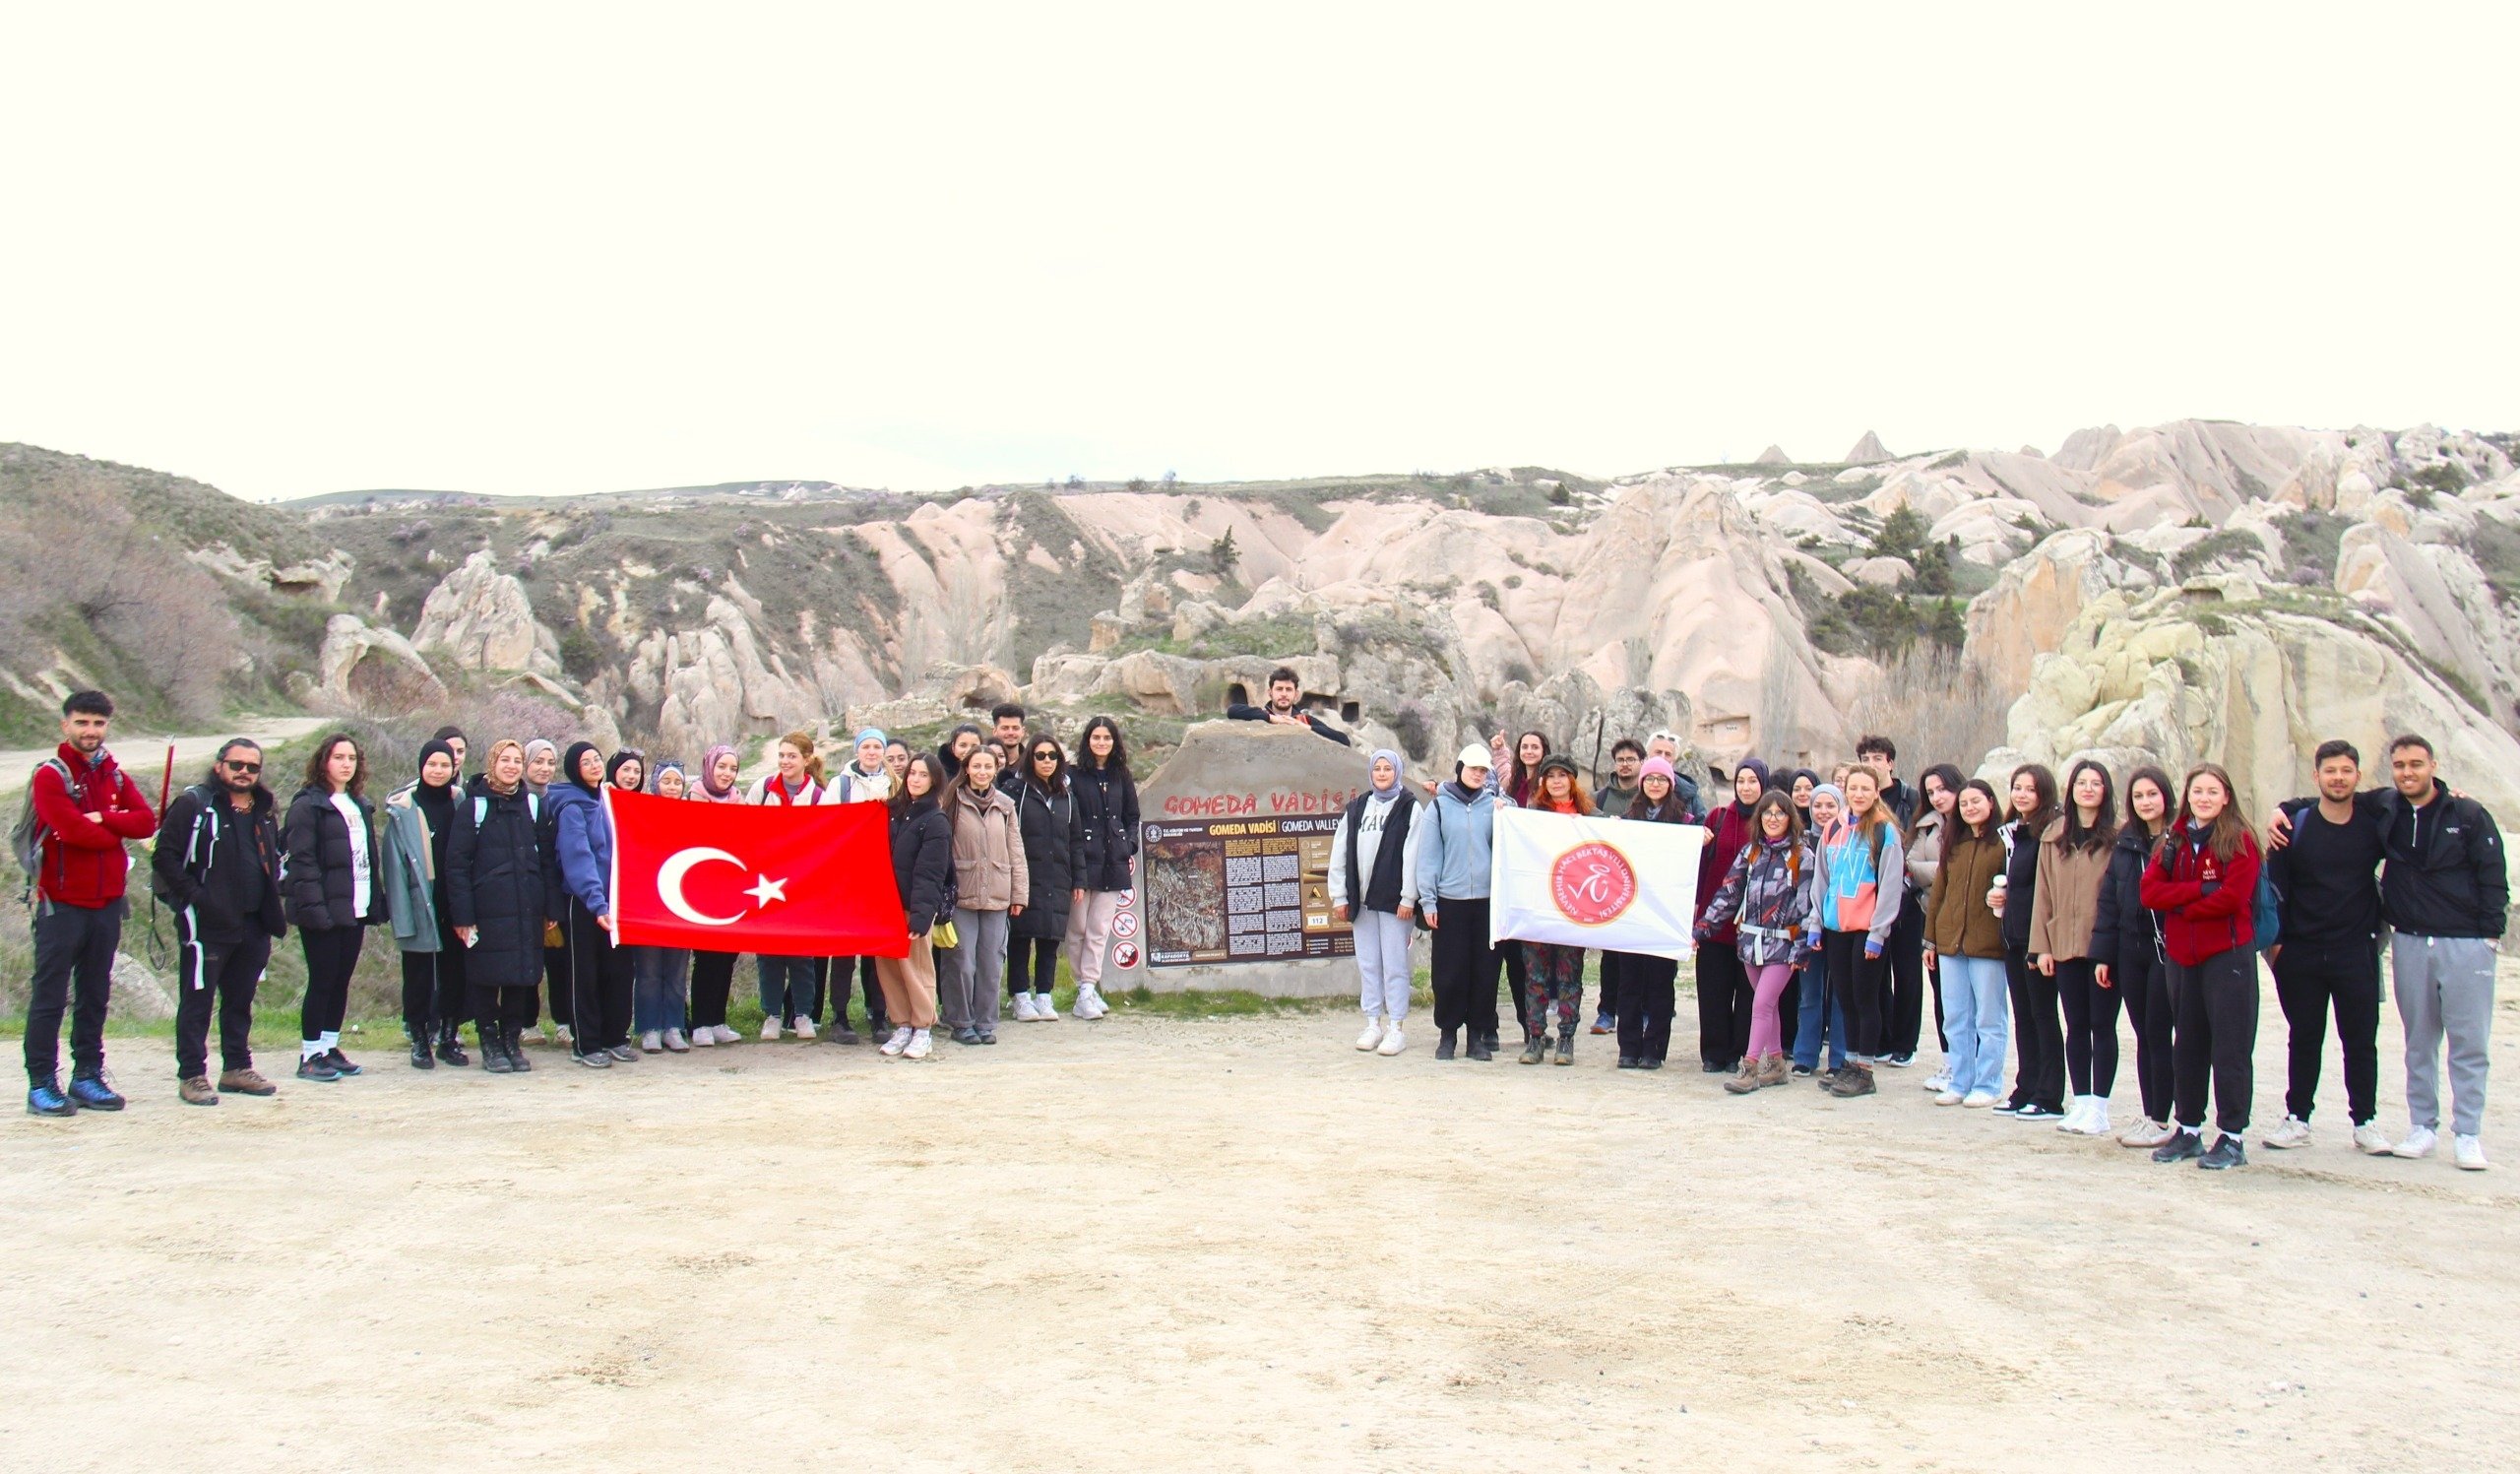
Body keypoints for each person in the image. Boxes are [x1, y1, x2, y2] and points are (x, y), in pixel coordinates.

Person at [2272, 736, 2508, 1168]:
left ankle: (2422, 1129)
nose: (2408, 772)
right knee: (2336, 1038)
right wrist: (2281, 808)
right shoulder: (2344, 815)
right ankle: (2315, 1120)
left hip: (2402, 947)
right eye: (2400, 765)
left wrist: (2491, 936)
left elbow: (2492, 872)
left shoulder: (2428, 814)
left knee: (2401, 1042)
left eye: (2416, 764)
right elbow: (2285, 868)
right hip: (2355, 945)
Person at [20, 690, 158, 1117]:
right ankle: (41, 1082)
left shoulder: (113, 775)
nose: (90, 731)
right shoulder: (50, 776)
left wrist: (103, 819)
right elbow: (71, 830)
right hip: (60, 903)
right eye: (82, 722)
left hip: (106, 903)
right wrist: (115, 830)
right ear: (66, 725)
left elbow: (146, 821)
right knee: (50, 996)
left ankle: (87, 1075)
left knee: (95, 994)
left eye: (98, 723)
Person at [2139, 763, 2263, 1169]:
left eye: (2212, 791)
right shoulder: (2173, 840)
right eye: (2197, 791)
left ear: (2226, 797)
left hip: (2227, 955)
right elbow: (2150, 892)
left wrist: (2183, 907)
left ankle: (2232, 1137)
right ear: (2187, 796)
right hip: (2182, 957)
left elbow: (2233, 897)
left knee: (2230, 1046)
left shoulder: (2239, 839)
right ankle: (2189, 1129)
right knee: (2188, 1044)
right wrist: (2197, 892)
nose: (2204, 798)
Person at [153, 738, 285, 1106]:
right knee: (198, 999)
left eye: (252, 767)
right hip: (206, 923)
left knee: (241, 998)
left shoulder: (263, 810)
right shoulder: (195, 804)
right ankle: (192, 1074)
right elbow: (165, 856)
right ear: (219, 765)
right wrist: (196, 897)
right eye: (236, 764)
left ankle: (237, 1067)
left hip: (254, 921)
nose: (244, 772)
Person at [1697, 789, 1815, 1093]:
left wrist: (1802, 948)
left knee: (1760, 1004)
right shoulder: (1751, 853)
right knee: (1768, 1006)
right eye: (1767, 813)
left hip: (1783, 944)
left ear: (1790, 818)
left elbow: (1807, 906)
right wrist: (1703, 928)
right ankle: (1776, 1064)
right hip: (1751, 943)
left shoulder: (1802, 857)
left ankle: (1749, 1067)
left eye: (1780, 813)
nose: (1773, 819)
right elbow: (1729, 892)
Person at [282, 734, 382, 1082]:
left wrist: (374, 902)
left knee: (341, 981)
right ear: (323, 761)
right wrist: (315, 909)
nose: (346, 764)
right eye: (339, 757)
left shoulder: (358, 804)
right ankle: (310, 1053)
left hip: (355, 905)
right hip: (322, 908)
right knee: (322, 980)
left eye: (351, 758)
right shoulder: (308, 805)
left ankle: (329, 1046)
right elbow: (303, 862)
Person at [2028, 759, 2119, 1136]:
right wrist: (2041, 948)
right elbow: (2043, 895)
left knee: (2102, 1025)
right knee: (2076, 1025)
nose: (2088, 789)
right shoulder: (2054, 837)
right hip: (2063, 942)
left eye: (2095, 783)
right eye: (2082, 782)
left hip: (2102, 947)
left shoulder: (2117, 837)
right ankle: (2081, 1102)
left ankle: (2099, 1107)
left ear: (2105, 790)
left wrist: (2109, 950)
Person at [447, 738, 546, 1074]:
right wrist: (463, 916)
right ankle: (489, 1044)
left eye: (517, 760)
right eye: (505, 759)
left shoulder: (532, 805)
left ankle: (511, 1041)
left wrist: (550, 908)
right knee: (485, 979)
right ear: (493, 763)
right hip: (486, 911)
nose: (512, 766)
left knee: (521, 978)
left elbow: (547, 860)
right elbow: (456, 866)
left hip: (527, 909)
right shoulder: (473, 808)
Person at [1807, 764, 1906, 1099]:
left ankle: (1865, 1071)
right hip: (1837, 925)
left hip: (1867, 927)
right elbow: (1822, 877)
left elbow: (1890, 885)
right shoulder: (1833, 827)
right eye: (1853, 788)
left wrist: (1879, 932)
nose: (1859, 794)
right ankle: (1849, 1063)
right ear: (1845, 791)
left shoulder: (1884, 831)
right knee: (1845, 998)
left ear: (1876, 792)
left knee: (1865, 999)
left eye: (1866, 788)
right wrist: (1816, 922)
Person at [2093, 766, 2178, 1146]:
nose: (2146, 802)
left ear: (2166, 797)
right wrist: (2103, 955)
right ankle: (2151, 1115)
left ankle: (2164, 1119)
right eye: (2139, 796)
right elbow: (2109, 900)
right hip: (2131, 948)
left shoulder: (2179, 839)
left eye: (2152, 795)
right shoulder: (2126, 842)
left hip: (2167, 948)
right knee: (2144, 1033)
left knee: (2160, 1031)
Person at [1922, 779, 2011, 1108]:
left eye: (1976, 801)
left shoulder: (2003, 843)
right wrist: (1930, 940)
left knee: (1989, 1017)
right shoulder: (1954, 843)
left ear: (1991, 802)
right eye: (1964, 804)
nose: (1970, 808)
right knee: (1956, 1016)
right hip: (1949, 942)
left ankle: (1988, 1083)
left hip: (1987, 943)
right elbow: (1939, 894)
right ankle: (1960, 1081)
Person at [1418, 742, 1510, 1060]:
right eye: (1473, 769)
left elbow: (1507, 841)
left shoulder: (1493, 806)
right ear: (1460, 769)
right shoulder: (1439, 807)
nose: (1478, 775)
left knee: (1484, 972)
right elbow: (1428, 857)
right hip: (1450, 902)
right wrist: (1428, 901)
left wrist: (1503, 809)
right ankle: (1448, 1035)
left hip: (1486, 902)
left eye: (1483, 770)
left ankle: (1476, 1037)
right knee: (1449, 972)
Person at [381, 739, 470, 1070]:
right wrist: (401, 916)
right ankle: (419, 1038)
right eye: (432, 764)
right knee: (417, 974)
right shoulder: (403, 809)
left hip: (455, 900)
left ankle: (448, 1036)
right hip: (420, 899)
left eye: (444, 765)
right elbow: (394, 868)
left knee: (455, 973)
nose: (438, 771)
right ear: (421, 767)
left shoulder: (461, 802)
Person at [1331, 748, 1422, 1057]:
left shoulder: (1409, 807)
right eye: (1377, 769)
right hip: (1362, 901)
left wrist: (1409, 896)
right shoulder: (1357, 808)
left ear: (1397, 771)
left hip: (1394, 901)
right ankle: (1373, 1023)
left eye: (1388, 769)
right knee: (1368, 963)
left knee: (1394, 965)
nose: (1382, 774)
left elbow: (1413, 855)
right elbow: (1339, 853)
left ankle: (1396, 1027)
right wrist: (1340, 895)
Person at [548, 742, 634, 1067]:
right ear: (575, 769)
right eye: (586, 762)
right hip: (584, 902)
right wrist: (598, 904)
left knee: (618, 972)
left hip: (616, 901)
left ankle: (615, 1037)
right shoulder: (572, 807)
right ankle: (586, 1043)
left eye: (597, 759)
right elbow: (578, 858)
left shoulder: (605, 800)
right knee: (584, 974)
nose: (595, 765)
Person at [1610, 756, 1693, 1069]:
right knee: (1628, 983)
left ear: (1670, 784)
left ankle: (1654, 1049)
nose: (1655, 784)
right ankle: (1628, 1047)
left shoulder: (1684, 821)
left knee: (1660, 983)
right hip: (1632, 910)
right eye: (1649, 779)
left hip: (1666, 913)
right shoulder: (1629, 818)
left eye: (1661, 779)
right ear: (1642, 783)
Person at [1993, 763, 2065, 1121]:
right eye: (2017, 788)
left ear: (2045, 793)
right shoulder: (2015, 832)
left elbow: (2049, 890)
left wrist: (2043, 943)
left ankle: (2049, 1095)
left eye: (2030, 789)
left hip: (2038, 939)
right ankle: (2026, 1086)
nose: (2021, 795)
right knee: (2024, 1016)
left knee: (2043, 1015)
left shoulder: (2050, 834)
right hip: (2013, 935)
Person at [944, 744, 1027, 1047]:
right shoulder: (951, 801)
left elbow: (1016, 850)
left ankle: (986, 1022)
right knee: (961, 961)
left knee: (992, 962)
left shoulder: (1005, 805)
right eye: (976, 766)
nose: (982, 772)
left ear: (995, 770)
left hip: (997, 893)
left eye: (987, 766)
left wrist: (1019, 894)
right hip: (961, 894)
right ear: (966, 769)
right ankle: (960, 1022)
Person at [815, 729, 894, 1043]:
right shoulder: (841, 785)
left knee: (878, 952)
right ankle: (839, 1015)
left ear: (884, 751)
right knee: (844, 951)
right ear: (857, 751)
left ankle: (878, 1014)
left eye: (877, 747)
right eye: (866, 746)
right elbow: (826, 825)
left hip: (882, 877)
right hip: (847, 878)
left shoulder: (894, 784)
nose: (872, 752)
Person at [877, 752, 953, 1060]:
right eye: (912, 773)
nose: (916, 780)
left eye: (923, 775)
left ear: (934, 780)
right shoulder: (894, 812)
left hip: (913, 907)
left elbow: (931, 873)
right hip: (886, 906)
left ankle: (923, 1028)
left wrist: (922, 916)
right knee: (890, 969)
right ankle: (903, 1024)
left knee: (916, 968)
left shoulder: (935, 820)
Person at [1692, 759, 1767, 1073]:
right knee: (1713, 991)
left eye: (1753, 781)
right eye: (1741, 781)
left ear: (1763, 785)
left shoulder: (1770, 819)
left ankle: (1739, 1052)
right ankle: (1714, 1052)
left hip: (1754, 925)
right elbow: (1700, 868)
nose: (1746, 788)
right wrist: (1697, 913)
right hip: (1714, 923)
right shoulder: (1718, 817)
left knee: (1748, 993)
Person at [1518, 754, 1593, 1066]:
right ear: (1543, 782)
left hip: (1573, 908)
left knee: (1569, 976)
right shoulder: (1531, 816)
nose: (1557, 781)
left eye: (1563, 775)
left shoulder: (1590, 816)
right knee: (1535, 976)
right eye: (1551, 776)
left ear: (1572, 780)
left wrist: (1612, 828)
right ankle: (1535, 1037)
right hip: (1538, 905)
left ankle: (1566, 1038)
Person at [750, 731, 825, 1040]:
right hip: (765, 881)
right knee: (768, 952)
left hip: (802, 883)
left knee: (801, 952)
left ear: (806, 760)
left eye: (792, 756)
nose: (785, 761)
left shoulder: (818, 796)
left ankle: (802, 1014)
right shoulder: (762, 788)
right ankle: (771, 1015)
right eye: (781, 755)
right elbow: (742, 826)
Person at [1065, 715, 1137, 1021]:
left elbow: (1132, 816)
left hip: (1113, 863)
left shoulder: (1122, 775)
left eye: (1107, 738)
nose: (1101, 742)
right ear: (1087, 740)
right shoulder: (1073, 775)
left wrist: (1128, 845)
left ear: (1114, 741)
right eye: (1096, 737)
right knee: (1077, 929)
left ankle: (1088, 988)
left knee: (1099, 929)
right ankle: (1081, 985)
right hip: (1082, 863)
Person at [1009, 734, 1079, 1022]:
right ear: (1030, 759)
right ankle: (1020, 996)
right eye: (1040, 756)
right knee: (1020, 938)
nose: (1047, 761)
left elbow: (1075, 840)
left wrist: (1079, 879)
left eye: (1052, 756)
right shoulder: (1016, 791)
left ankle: (1044, 995)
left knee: (1050, 939)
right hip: (1025, 875)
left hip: (1058, 876)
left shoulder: (1066, 795)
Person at [683, 742, 746, 1047]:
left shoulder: (739, 802)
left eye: (733, 768)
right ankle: (700, 1023)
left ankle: (718, 1020)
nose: (727, 773)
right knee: (706, 958)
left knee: (727, 957)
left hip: (731, 888)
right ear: (709, 766)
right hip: (701, 890)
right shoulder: (692, 798)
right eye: (722, 766)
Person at [1906, 762, 1963, 1085]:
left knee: (1970, 999)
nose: (1938, 797)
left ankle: (1973, 1067)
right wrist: (1948, 871)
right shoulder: (1926, 826)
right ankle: (1949, 1062)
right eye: (1931, 792)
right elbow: (1912, 864)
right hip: (1932, 916)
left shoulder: (1973, 823)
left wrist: (1943, 871)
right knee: (1942, 996)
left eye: (1943, 789)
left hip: (1968, 920)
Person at [631, 759, 693, 1053]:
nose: (671, 787)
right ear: (656, 783)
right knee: (648, 971)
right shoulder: (639, 813)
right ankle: (649, 1028)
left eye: (677, 783)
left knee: (677, 972)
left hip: (681, 907)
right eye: (666, 781)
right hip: (648, 906)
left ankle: (673, 1026)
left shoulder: (692, 817)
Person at [1789, 783, 1850, 1078]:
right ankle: (1805, 1055)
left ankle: (1839, 1059)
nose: (1823, 812)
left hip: (1840, 925)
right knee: (1809, 993)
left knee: (1840, 995)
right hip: (1807, 928)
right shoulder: (1799, 841)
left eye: (1830, 806)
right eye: (1817, 806)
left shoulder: (1850, 838)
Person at [1589, 737, 1647, 1039]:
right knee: (1610, 955)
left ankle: (1642, 1011)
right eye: (1620, 760)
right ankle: (1606, 1011)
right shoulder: (1600, 798)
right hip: (1609, 884)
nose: (1625, 765)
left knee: (1642, 952)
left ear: (1641, 762)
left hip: (1644, 886)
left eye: (1631, 759)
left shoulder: (1650, 794)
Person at [518, 737, 565, 1046]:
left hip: (557, 889)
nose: (544, 768)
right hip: (526, 892)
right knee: (528, 961)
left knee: (559, 961)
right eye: (538, 762)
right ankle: (526, 1023)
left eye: (550, 763)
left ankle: (563, 1022)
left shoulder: (558, 799)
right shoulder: (516, 799)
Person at [1227, 667, 1351, 744]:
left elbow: (1343, 740)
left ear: (1296, 694)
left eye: (1289, 689)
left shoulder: (1304, 720)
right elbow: (1232, 711)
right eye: (1279, 689)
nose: (1284, 694)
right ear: (1270, 693)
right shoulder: (1261, 714)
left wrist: (1306, 727)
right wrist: (1272, 718)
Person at [989, 703, 1030, 791]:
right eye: (1005, 728)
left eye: (1015, 728)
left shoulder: (1031, 763)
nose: (1010, 733)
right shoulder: (982, 762)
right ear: (995, 731)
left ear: (1023, 732)